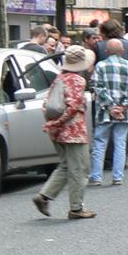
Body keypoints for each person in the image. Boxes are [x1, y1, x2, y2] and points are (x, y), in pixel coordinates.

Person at [32, 46, 96, 219]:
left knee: (65, 165)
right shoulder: (77, 80)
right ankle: (76, 208)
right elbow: (73, 107)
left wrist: (53, 124)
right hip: (73, 131)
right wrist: (59, 122)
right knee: (80, 169)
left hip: (57, 131)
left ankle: (44, 195)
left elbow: (47, 103)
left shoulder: (59, 78)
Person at [88, 38, 128, 187]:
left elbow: (98, 88)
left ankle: (96, 177)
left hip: (104, 112)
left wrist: (111, 107)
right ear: (122, 51)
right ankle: (117, 177)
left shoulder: (100, 66)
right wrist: (122, 106)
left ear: (106, 51)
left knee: (100, 143)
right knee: (120, 144)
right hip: (125, 113)